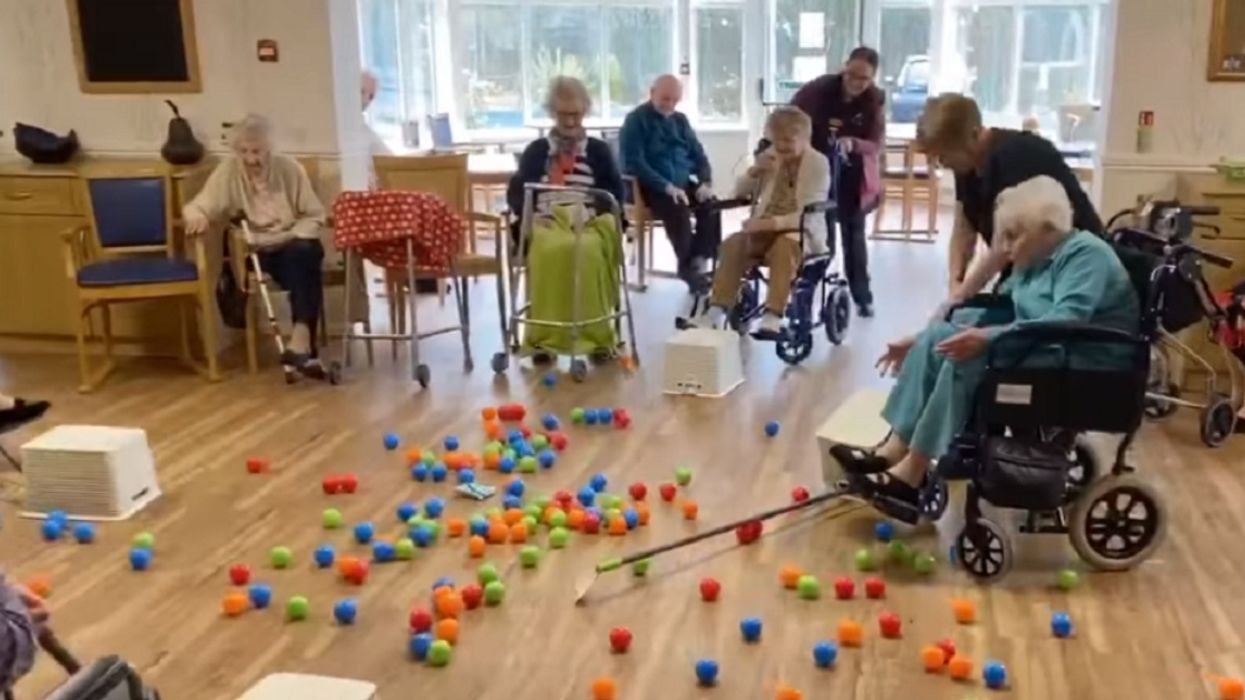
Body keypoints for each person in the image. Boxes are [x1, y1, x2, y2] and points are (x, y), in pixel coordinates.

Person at [835, 176, 1138, 523]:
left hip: (1086, 359)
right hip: (1041, 346)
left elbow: (1066, 320)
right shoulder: (1034, 258)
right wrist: (923, 337)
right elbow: (1000, 308)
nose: (1005, 248)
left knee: (971, 357)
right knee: (940, 338)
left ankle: (912, 474)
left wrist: (990, 338)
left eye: (1013, 237)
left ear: (1049, 230)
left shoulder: (1087, 256)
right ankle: (893, 450)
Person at [921, 93, 1103, 307]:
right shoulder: (967, 165)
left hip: (1069, 272)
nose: (942, 163)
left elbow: (1004, 246)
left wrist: (961, 296)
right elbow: (963, 228)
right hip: (1030, 270)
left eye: (944, 154)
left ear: (973, 135)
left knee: (971, 325)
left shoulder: (1018, 156)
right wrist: (955, 282)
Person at [183, 114, 328, 371]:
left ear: (269, 148)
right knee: (305, 265)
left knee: (305, 254)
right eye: (244, 151)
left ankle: (300, 337)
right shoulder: (228, 171)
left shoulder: (289, 168)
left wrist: (294, 235)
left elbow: (315, 213)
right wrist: (195, 216)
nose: (251, 159)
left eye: (257, 151)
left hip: (292, 242)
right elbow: (199, 205)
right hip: (254, 250)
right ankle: (304, 344)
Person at [507, 77, 627, 361]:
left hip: (587, 217)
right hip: (547, 218)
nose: (570, 121)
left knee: (586, 250)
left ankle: (596, 338)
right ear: (552, 113)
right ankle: (544, 338)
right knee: (550, 249)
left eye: (576, 114)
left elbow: (616, 192)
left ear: (584, 112)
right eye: (563, 114)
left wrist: (593, 211)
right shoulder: (537, 150)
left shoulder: (598, 150)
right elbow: (518, 192)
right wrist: (533, 213)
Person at [689, 107, 830, 338]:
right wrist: (755, 171)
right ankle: (716, 311)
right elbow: (740, 192)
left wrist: (768, 225)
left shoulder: (818, 164)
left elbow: (808, 214)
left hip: (802, 232)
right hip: (763, 229)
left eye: (787, 140)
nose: (780, 146)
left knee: (784, 248)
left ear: (805, 138)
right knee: (732, 244)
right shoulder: (771, 157)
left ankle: (773, 315)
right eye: (775, 140)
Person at [792, 46, 886, 317]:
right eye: (852, 74)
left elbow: (875, 145)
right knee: (823, 240)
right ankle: (808, 294)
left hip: (852, 176)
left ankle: (862, 296)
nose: (856, 82)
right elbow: (791, 119)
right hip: (818, 172)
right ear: (844, 67)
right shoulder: (818, 90)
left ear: (872, 79)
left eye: (863, 78)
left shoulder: (873, 102)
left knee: (854, 237)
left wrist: (853, 143)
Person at [619, 75, 721, 292]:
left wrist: (704, 182)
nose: (670, 105)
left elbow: (698, 155)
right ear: (652, 93)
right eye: (665, 99)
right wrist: (666, 186)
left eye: (675, 100)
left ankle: (699, 260)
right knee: (675, 206)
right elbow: (634, 162)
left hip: (683, 182)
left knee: (712, 204)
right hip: (649, 187)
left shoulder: (680, 121)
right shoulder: (635, 120)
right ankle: (687, 269)